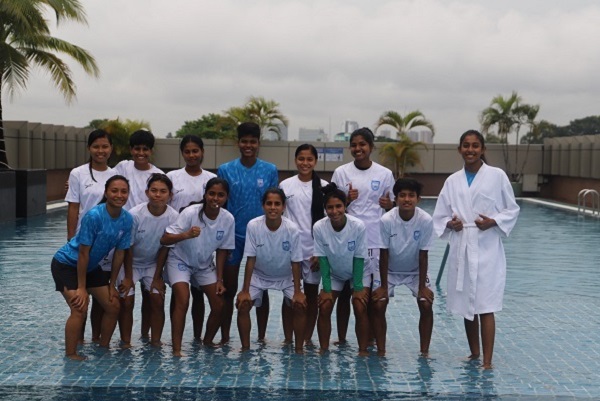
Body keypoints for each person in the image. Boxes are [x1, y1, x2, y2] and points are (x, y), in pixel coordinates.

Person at [432, 129, 520, 369]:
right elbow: (440, 215)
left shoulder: (497, 176)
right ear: (459, 149)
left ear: (482, 149)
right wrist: (451, 224)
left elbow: (512, 209)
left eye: (475, 146)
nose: (470, 150)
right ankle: (474, 353)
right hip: (462, 245)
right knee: (466, 304)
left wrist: (493, 221)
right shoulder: (452, 181)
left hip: (487, 246)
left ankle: (487, 361)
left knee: (486, 305)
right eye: (466, 145)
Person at [51, 175, 133, 360]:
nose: (119, 195)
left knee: (113, 305)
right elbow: (83, 253)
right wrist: (82, 287)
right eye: (114, 191)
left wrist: (112, 284)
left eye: (123, 191)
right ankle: (71, 354)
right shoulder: (94, 216)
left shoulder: (127, 219)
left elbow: (120, 254)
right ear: (106, 192)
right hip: (66, 264)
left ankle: (103, 348)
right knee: (79, 307)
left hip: (90, 267)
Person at [330, 127, 394, 346]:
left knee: (369, 295)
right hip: (346, 240)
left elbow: (394, 208)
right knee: (345, 293)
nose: (358, 149)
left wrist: (389, 204)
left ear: (371, 147)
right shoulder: (341, 173)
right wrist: (347, 199)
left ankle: (371, 338)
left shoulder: (384, 174)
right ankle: (341, 338)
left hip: (374, 241)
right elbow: (333, 206)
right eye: (354, 145)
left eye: (362, 144)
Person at [217, 122, 278, 344]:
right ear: (238, 143)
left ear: (259, 143)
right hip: (233, 236)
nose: (248, 145)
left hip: (261, 236)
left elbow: (274, 203)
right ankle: (225, 336)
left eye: (253, 141)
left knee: (261, 288)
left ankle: (261, 337)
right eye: (244, 141)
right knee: (229, 288)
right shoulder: (226, 169)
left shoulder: (269, 170)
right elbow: (222, 203)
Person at [160, 177, 234, 357]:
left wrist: (219, 279)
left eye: (220, 195)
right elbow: (165, 239)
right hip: (180, 261)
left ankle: (207, 342)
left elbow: (223, 251)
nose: (215, 198)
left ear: (226, 197)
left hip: (204, 265)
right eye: (211, 194)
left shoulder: (228, 218)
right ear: (205, 195)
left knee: (219, 304)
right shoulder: (190, 213)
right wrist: (185, 235)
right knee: (183, 299)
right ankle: (177, 349)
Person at [108, 130, 164, 342]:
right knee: (126, 299)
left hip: (148, 240)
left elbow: (166, 200)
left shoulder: (157, 174)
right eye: (137, 149)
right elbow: (107, 182)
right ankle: (126, 341)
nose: (141, 153)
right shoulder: (123, 167)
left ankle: (146, 335)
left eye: (145, 149)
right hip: (123, 236)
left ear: (151, 151)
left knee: (151, 298)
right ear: (131, 150)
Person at [235, 188, 306, 353]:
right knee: (242, 305)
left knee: (300, 305)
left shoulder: (292, 229)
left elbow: (296, 262)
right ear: (263, 206)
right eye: (269, 203)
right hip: (259, 275)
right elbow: (250, 259)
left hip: (286, 276)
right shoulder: (253, 226)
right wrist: (245, 290)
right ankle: (245, 350)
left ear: (283, 207)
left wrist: (297, 292)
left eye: (277, 204)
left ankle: (298, 350)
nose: (273, 207)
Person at [372, 178, 435, 357]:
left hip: (415, 270)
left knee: (426, 304)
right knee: (379, 303)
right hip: (389, 269)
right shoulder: (386, 220)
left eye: (411, 196)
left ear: (418, 199)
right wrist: (383, 287)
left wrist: (422, 287)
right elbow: (383, 253)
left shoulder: (425, 220)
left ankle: (424, 352)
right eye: (402, 195)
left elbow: (423, 255)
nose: (407, 199)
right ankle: (381, 351)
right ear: (396, 198)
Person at [116, 173, 178, 348]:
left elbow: (165, 248)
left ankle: (155, 341)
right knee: (126, 300)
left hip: (152, 264)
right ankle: (126, 342)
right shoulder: (135, 214)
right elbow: (127, 247)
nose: (158, 195)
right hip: (129, 263)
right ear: (146, 192)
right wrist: (128, 277)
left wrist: (158, 277)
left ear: (170, 195)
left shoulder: (173, 216)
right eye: (154, 190)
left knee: (157, 300)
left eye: (163, 191)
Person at [167, 135, 217, 342]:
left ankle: (198, 336)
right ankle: (175, 338)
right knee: (179, 293)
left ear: (202, 152)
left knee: (199, 294)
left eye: (195, 151)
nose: (191, 155)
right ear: (182, 153)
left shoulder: (210, 179)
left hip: (202, 244)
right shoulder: (172, 177)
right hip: (178, 243)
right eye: (187, 151)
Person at [313, 183, 370, 356]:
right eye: (330, 207)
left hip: (359, 272)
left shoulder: (358, 226)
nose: (334, 211)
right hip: (335, 273)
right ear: (325, 209)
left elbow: (359, 257)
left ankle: (362, 351)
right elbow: (322, 258)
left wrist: (358, 287)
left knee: (359, 305)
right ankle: (324, 349)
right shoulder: (319, 227)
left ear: (345, 206)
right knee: (324, 306)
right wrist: (326, 289)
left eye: (338, 206)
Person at [279, 144, 327, 345]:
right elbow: (280, 217)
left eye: (309, 159)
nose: (305, 163)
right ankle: (288, 338)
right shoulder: (285, 185)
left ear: (315, 161)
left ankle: (306, 338)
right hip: (291, 250)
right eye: (301, 159)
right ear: (295, 160)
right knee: (290, 296)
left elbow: (328, 223)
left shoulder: (324, 187)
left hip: (313, 250)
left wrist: (320, 252)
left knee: (311, 295)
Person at [65, 129, 117, 241]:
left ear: (111, 148)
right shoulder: (77, 173)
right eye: (96, 147)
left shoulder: (116, 175)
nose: (100, 151)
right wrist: (70, 238)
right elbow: (73, 207)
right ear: (89, 148)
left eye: (105, 147)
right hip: (83, 235)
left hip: (108, 235)